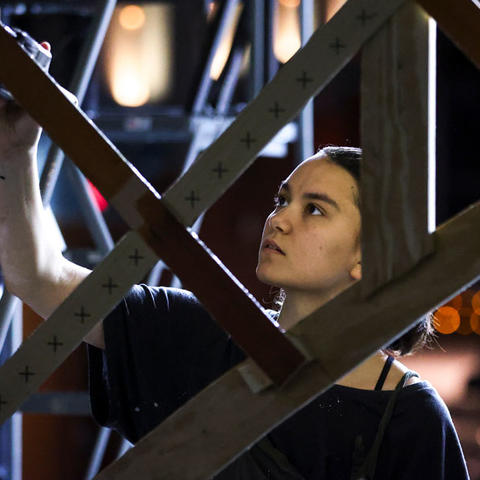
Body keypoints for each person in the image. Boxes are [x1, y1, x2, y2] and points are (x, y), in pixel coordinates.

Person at [0, 44, 470, 479]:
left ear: (369, 258)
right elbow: (41, 276)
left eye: (315, 209)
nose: (280, 219)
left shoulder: (409, 419)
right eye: (282, 200)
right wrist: (17, 151)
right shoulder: (198, 334)